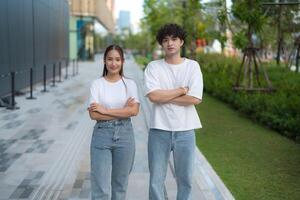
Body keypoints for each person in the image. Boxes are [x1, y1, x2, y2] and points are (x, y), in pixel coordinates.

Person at [144, 23, 203, 200]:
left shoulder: (192, 66)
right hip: (159, 130)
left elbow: (195, 99)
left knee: (185, 180)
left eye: (174, 39)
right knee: (156, 180)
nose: (170, 43)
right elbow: (153, 97)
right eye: (165, 40)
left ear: (181, 42)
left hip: (185, 131)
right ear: (161, 44)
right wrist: (180, 90)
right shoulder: (153, 67)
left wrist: (165, 97)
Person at [88, 44, 140, 200]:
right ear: (104, 61)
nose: (113, 63)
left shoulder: (130, 84)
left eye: (117, 59)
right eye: (110, 59)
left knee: (120, 186)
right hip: (101, 136)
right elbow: (93, 115)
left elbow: (134, 111)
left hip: (125, 136)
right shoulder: (97, 84)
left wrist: (105, 110)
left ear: (123, 61)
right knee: (100, 188)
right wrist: (122, 111)